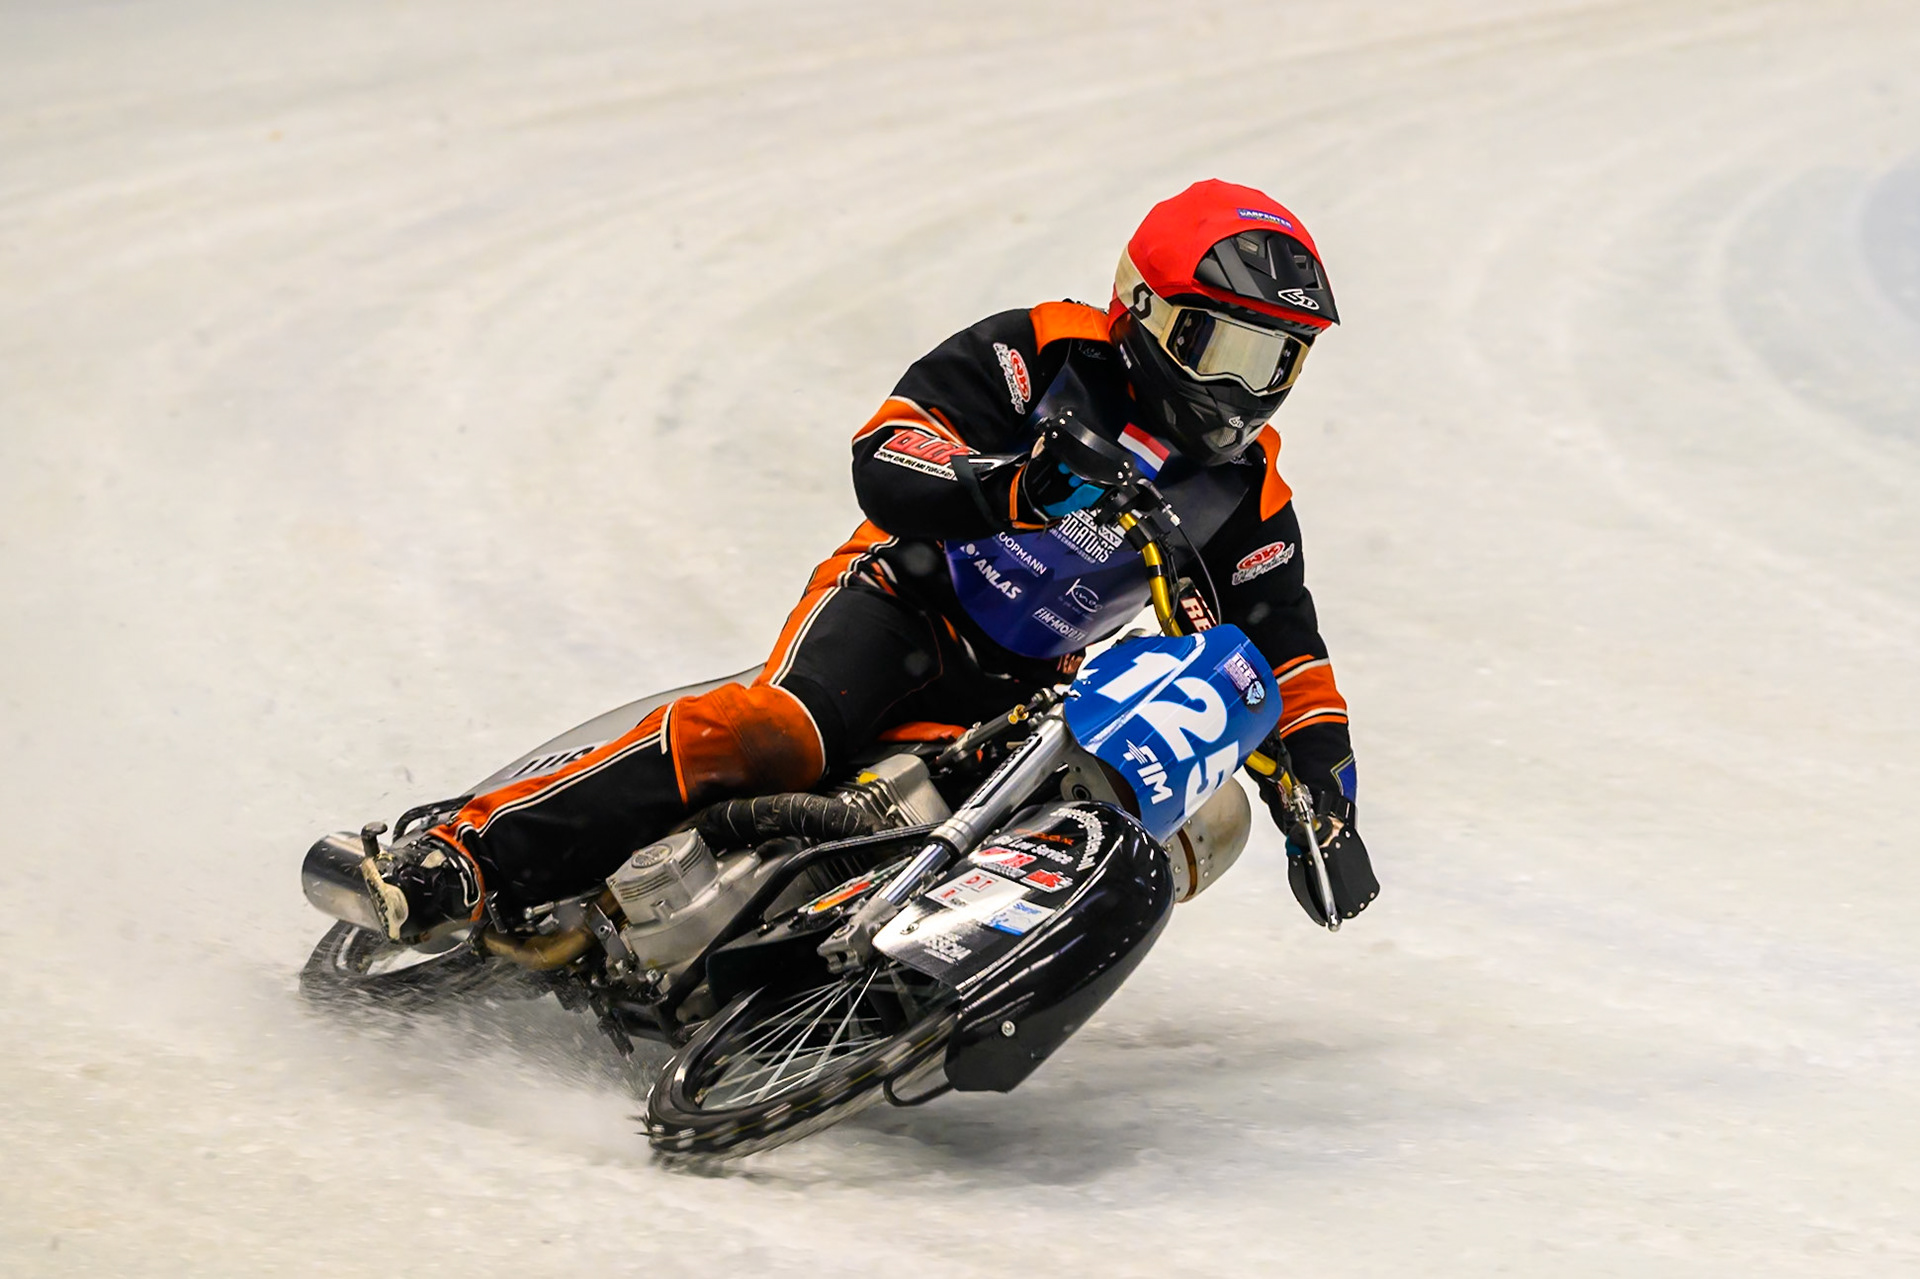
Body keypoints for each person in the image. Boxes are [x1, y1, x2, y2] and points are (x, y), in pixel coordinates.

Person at [359, 178, 1377, 943]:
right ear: (1150, 312)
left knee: (1132, 816)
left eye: (1279, 359)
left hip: (1025, 687)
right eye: (1228, 350)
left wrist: (1325, 809)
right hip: (901, 601)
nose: (1249, 389)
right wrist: (1012, 484)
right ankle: (463, 857)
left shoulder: (1251, 495)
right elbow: (888, 450)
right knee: (781, 729)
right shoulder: (1041, 351)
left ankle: (859, 975)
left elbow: (1289, 656)